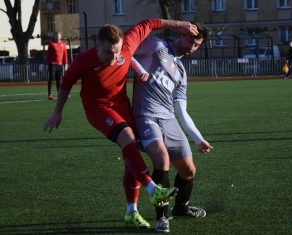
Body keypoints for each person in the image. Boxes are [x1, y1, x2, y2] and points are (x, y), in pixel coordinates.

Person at [43, 19, 199, 229]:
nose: (115, 57)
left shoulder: (128, 43)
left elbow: (151, 23)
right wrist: (57, 112)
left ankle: (131, 212)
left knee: (131, 152)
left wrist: (178, 24)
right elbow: (65, 84)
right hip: (98, 108)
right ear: (97, 46)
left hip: (122, 106)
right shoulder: (83, 60)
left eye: (117, 52)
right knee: (127, 137)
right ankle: (153, 189)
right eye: (108, 52)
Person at [129, 21, 213, 233]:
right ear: (181, 34)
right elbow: (126, 45)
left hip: (169, 120)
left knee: (189, 171)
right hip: (145, 116)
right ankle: (162, 218)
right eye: (190, 40)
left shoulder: (182, 72)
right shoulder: (156, 47)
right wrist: (138, 68)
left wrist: (198, 138)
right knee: (161, 159)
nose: (192, 46)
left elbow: (181, 111)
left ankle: (181, 208)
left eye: (196, 44)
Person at [45, 33, 68, 100]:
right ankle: (49, 94)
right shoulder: (51, 44)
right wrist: (47, 64)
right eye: (56, 36)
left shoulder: (63, 44)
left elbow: (65, 54)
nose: (57, 37)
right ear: (54, 37)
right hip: (52, 64)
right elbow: (48, 54)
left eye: (58, 36)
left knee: (58, 79)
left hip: (59, 64)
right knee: (51, 78)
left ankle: (59, 93)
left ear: (60, 37)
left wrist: (66, 64)